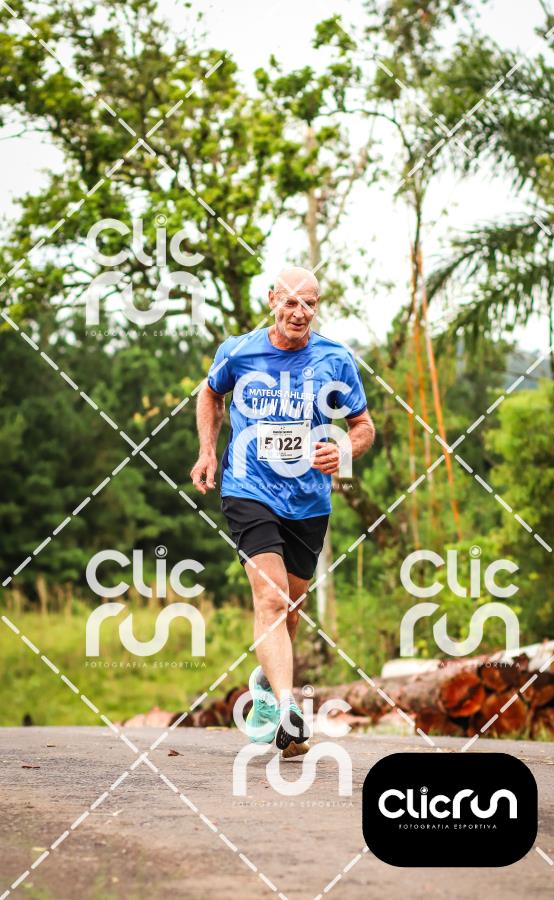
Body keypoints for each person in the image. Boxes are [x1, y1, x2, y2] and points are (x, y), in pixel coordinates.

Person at [190, 266, 375, 756]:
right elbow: (210, 393)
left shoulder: (335, 359)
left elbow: (363, 425)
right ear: (272, 300)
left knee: (290, 609)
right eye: (291, 302)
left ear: (317, 306)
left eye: (309, 303)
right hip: (248, 488)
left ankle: (268, 692)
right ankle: (289, 709)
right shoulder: (239, 352)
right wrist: (208, 452)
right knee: (270, 598)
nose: (299, 312)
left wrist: (345, 449)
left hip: (308, 500)